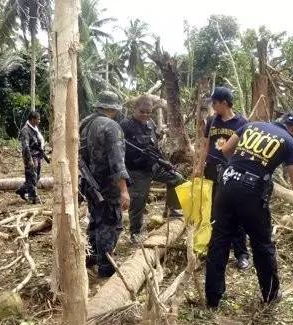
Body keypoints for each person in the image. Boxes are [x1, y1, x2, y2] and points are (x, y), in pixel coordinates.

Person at [205, 111, 293, 308]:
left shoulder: (252, 125)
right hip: (251, 192)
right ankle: (270, 295)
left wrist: (240, 166)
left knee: (219, 240)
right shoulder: (289, 141)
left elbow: (227, 149)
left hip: (227, 184)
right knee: (262, 245)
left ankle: (213, 299)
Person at [194, 86, 250, 270]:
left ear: (224, 103)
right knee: (213, 211)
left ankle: (241, 253)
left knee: (236, 211)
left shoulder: (242, 122)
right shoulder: (212, 121)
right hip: (212, 169)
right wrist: (199, 166)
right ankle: (216, 249)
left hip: (232, 171)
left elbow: (245, 150)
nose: (213, 107)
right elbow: (206, 145)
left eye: (215, 103)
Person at [120, 95, 184, 244]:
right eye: (142, 112)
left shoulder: (150, 124)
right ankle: (135, 233)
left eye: (149, 112)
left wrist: (166, 163)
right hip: (137, 171)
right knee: (138, 202)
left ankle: (170, 210)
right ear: (134, 109)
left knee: (177, 178)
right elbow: (119, 151)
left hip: (153, 166)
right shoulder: (125, 126)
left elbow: (155, 148)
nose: (146, 115)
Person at [79, 91, 130, 277]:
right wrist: (124, 190)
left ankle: (90, 257)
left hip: (90, 183)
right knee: (109, 223)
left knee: (95, 220)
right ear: (113, 108)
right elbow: (117, 162)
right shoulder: (111, 127)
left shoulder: (85, 125)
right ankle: (106, 267)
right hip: (108, 186)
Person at [16, 111, 45, 204]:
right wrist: (29, 160)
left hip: (38, 156)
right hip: (31, 157)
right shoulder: (25, 130)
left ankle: (22, 190)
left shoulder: (34, 129)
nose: (39, 121)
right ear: (32, 119)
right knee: (32, 176)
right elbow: (25, 147)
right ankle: (33, 197)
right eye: (38, 119)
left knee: (37, 176)